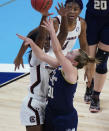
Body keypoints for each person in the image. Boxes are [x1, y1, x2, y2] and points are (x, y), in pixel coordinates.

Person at [16, 17, 97, 131]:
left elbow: (57, 50)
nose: (70, 50)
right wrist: (32, 44)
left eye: (72, 52)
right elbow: (43, 56)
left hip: (64, 116)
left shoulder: (71, 70)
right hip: (51, 112)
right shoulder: (61, 65)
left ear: (74, 62)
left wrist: (52, 31)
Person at [84, 0, 109, 113]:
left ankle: (96, 96)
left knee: (102, 59)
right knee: (90, 58)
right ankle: (90, 84)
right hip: (92, 17)